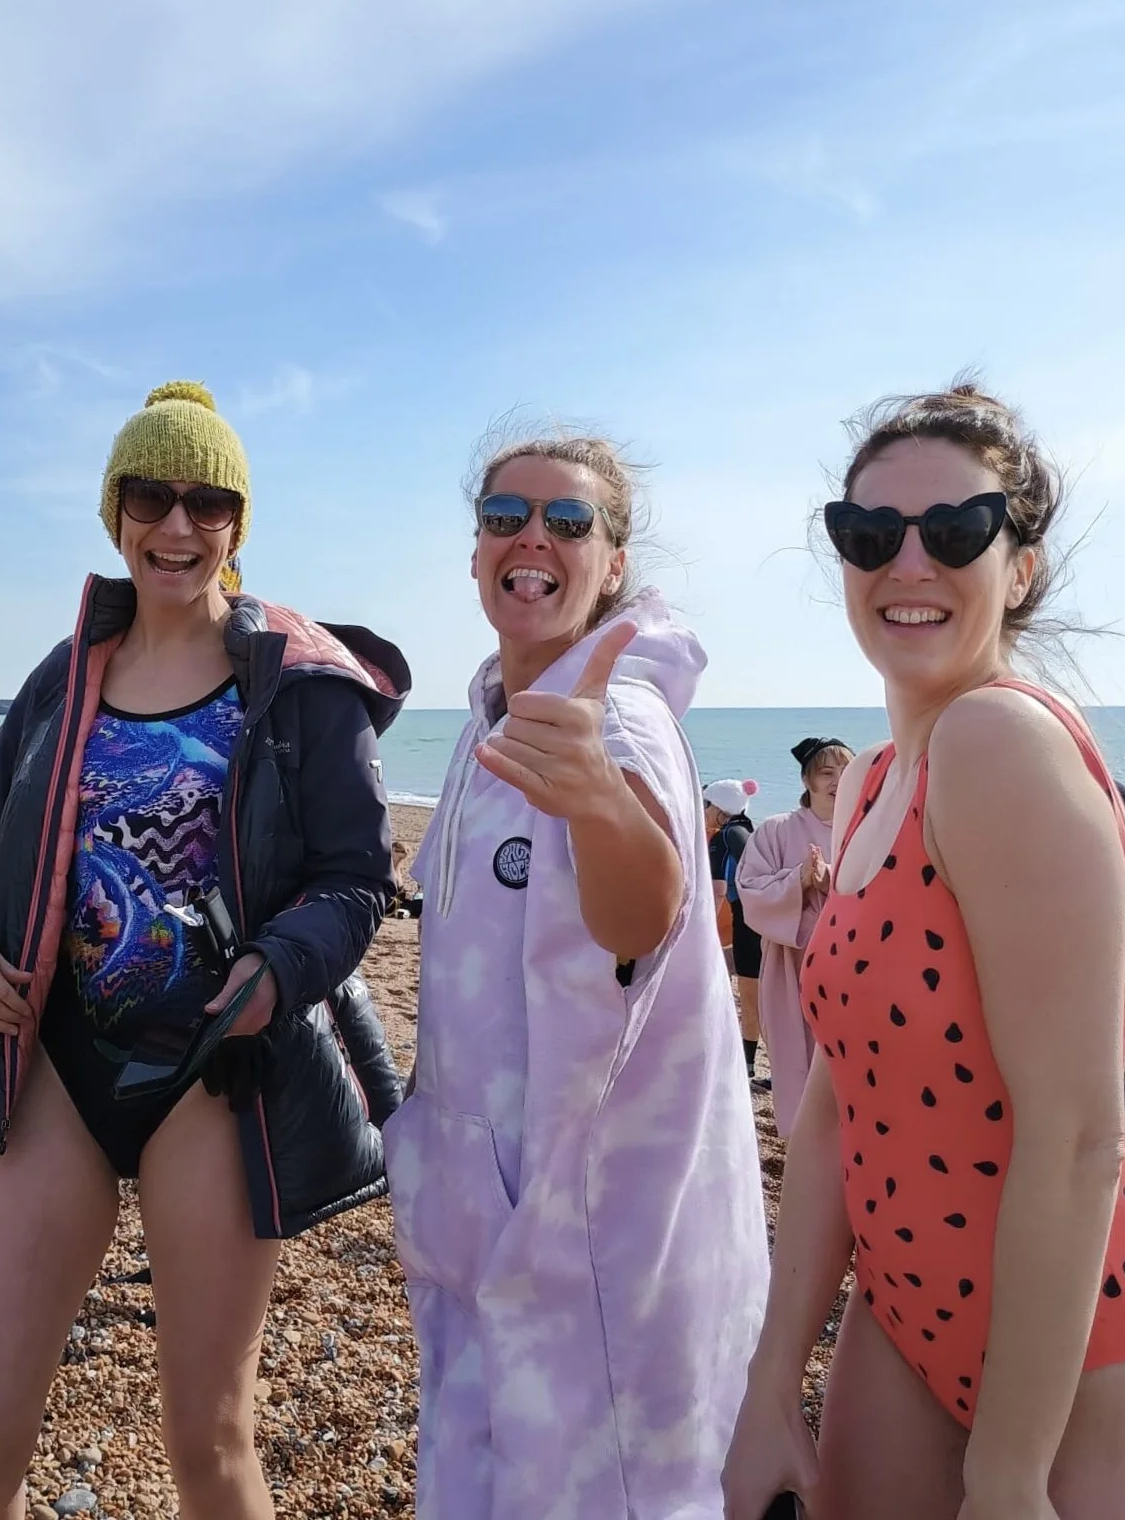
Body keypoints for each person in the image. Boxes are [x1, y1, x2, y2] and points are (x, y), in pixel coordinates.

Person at [0, 380, 410, 1520]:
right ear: (113, 510)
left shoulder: (296, 678)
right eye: (150, 495)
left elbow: (354, 877)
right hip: (58, 1066)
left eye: (206, 499)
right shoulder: (68, 671)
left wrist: (276, 968)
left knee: (206, 1434)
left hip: (213, 1074)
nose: (176, 526)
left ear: (238, 520)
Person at [723, 382, 1125, 1520]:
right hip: (899, 1309)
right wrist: (771, 1382)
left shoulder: (996, 742)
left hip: (1070, 1358)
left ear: (1022, 563)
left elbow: (1074, 1135)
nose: (906, 562)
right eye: (868, 535)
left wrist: (1005, 1475)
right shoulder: (865, 782)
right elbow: (834, 1106)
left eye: (953, 530)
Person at [383, 432, 768, 1519]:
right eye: (505, 514)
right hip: (482, 1232)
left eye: (568, 520)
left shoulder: (621, 720)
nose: (532, 537)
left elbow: (638, 917)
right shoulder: (487, 720)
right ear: (473, 553)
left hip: (603, 1252)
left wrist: (598, 799)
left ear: (612, 562)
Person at [736, 738, 855, 1135]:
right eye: (827, 772)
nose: (838, 780)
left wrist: (830, 875)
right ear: (808, 780)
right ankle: (802, 1146)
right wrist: (798, 881)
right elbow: (750, 888)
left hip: (856, 963)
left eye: (845, 771)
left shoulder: (867, 827)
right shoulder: (776, 829)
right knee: (796, 1055)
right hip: (792, 961)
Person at [705, 779, 764, 1084]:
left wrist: (706, 935)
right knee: (766, 1000)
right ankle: (766, 1066)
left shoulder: (723, 837)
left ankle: (748, 1067)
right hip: (769, 923)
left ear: (720, 808)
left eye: (706, 804)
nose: (703, 810)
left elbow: (717, 891)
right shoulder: (751, 834)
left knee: (750, 1000)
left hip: (746, 924)